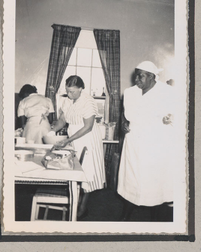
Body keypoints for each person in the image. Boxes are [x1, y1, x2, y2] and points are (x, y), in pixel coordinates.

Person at [117, 61, 175, 221]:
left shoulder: (167, 92)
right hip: (134, 142)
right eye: (136, 74)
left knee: (154, 182)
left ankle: (156, 221)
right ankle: (125, 216)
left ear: (151, 76)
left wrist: (169, 118)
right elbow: (124, 114)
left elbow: (177, 115)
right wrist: (123, 123)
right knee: (131, 180)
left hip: (155, 143)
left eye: (140, 75)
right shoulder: (129, 92)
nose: (136, 78)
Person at [49, 75, 106, 218]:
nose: (69, 94)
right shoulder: (67, 100)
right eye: (67, 91)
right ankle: (76, 201)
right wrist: (51, 132)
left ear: (81, 88)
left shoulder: (88, 101)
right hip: (74, 139)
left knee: (87, 173)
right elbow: (62, 120)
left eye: (73, 92)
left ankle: (82, 207)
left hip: (88, 139)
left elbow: (88, 127)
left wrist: (68, 140)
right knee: (76, 170)